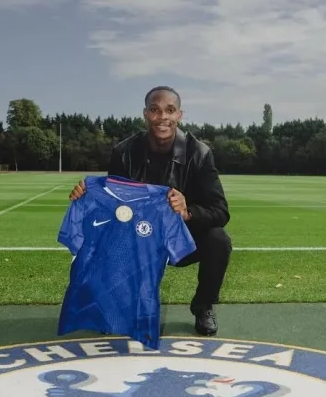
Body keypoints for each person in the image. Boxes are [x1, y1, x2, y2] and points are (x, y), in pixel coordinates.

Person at [68, 86, 232, 336]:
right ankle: (115, 305)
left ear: (180, 115)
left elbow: (220, 212)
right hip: (139, 238)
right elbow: (111, 206)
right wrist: (87, 196)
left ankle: (203, 305)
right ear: (145, 114)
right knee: (104, 240)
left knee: (219, 240)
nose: (162, 117)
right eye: (155, 110)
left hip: (181, 239)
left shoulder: (199, 153)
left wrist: (188, 212)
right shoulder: (124, 153)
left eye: (170, 110)